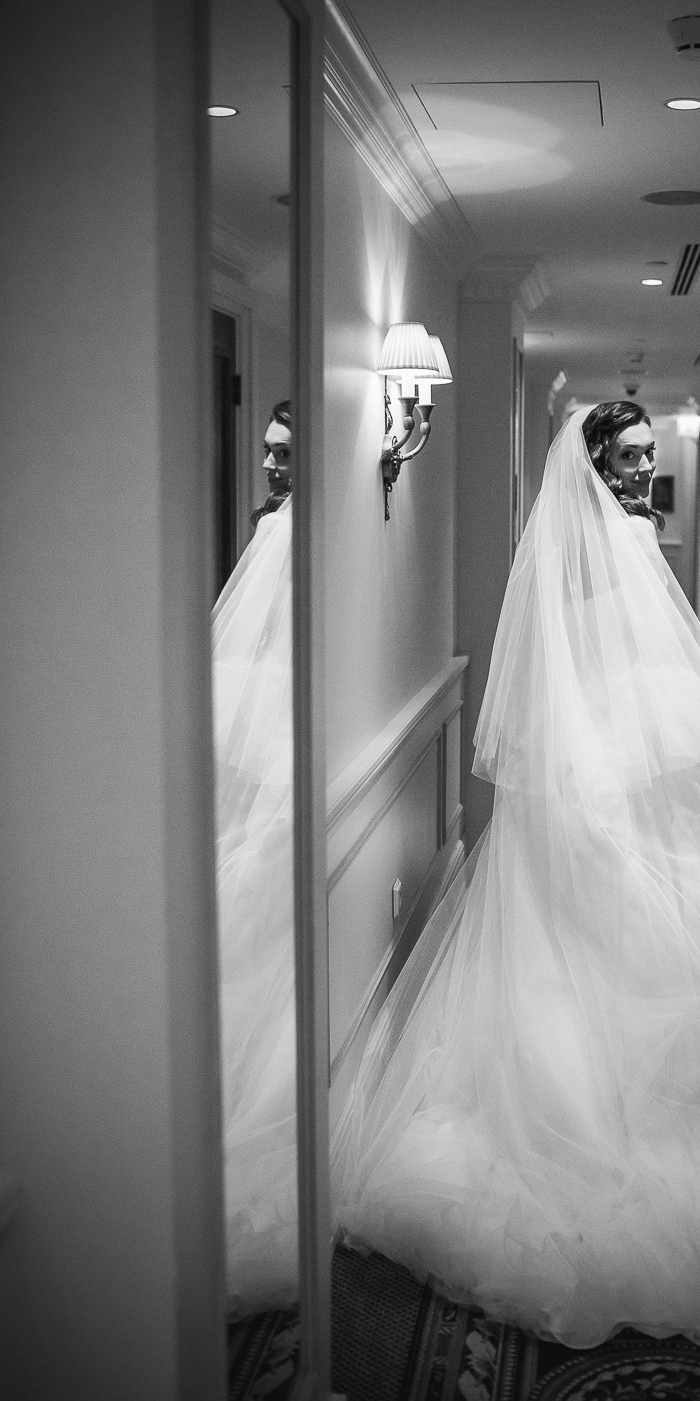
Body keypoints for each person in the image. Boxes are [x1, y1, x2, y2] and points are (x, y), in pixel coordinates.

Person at [330, 400, 700, 1352]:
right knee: (617, 946)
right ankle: (616, 1127)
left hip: (634, 755)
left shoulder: (607, 537)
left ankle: (665, 1106)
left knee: (653, 948)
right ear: (597, 463)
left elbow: (631, 654)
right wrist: (607, 770)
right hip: (608, 760)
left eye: (650, 455)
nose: (645, 470)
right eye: (632, 457)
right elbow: (589, 663)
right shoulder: (602, 541)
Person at [214, 401, 297, 1314]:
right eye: (268, 452)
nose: (270, 466)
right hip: (263, 740)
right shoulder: (277, 526)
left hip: (280, 746)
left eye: (284, 453)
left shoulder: (292, 532)